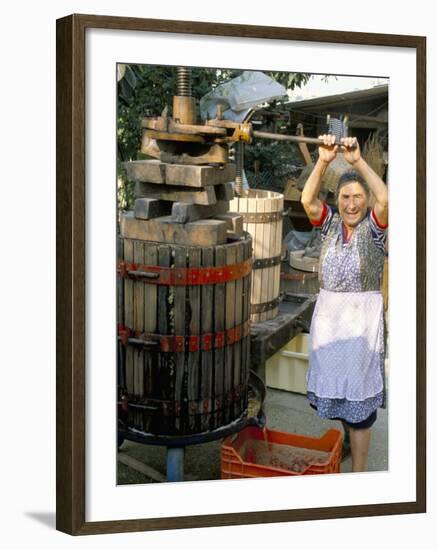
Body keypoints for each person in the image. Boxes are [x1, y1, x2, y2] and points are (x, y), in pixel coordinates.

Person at [301, 134, 388, 472]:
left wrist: (356, 162)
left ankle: (359, 475)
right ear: (337, 200)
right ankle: (346, 449)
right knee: (339, 399)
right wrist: (323, 161)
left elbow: (385, 197)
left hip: (362, 329)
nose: (352, 204)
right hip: (332, 325)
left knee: (361, 411)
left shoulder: (375, 228)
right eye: (345, 197)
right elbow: (307, 199)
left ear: (365, 202)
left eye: (358, 198)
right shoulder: (330, 225)